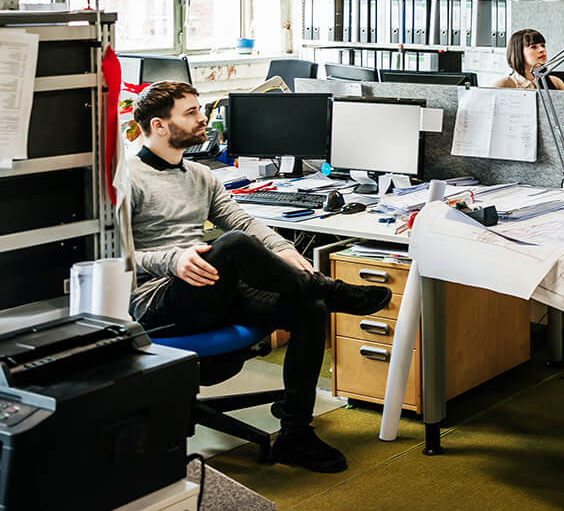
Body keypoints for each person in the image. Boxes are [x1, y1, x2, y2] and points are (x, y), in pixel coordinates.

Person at [126, 81, 393, 473]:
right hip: (157, 298)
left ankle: (295, 434)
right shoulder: (125, 179)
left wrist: (285, 250)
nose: (203, 118)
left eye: (200, 109)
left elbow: (243, 220)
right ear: (159, 126)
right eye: (191, 112)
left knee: (309, 307)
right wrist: (173, 260)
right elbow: (113, 254)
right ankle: (334, 290)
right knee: (232, 245)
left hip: (211, 290)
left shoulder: (201, 175)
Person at [493, 28, 564, 106]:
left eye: (543, 45)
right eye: (533, 47)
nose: (541, 50)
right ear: (518, 52)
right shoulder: (502, 85)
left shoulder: (555, 82)